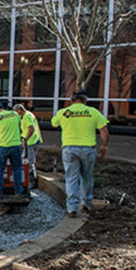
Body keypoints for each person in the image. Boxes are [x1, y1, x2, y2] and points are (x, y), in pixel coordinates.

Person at [51, 90, 109, 218]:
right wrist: (104, 145)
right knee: (87, 178)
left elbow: (54, 123)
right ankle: (86, 204)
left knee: (71, 178)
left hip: (69, 149)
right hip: (88, 149)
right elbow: (104, 129)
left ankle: (71, 208)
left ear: (71, 99)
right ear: (85, 99)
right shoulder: (93, 112)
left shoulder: (64, 112)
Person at [0, 102, 24, 200]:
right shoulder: (14, 114)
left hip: (3, 146)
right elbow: (19, 127)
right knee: (17, 169)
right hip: (16, 145)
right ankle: (18, 192)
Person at [14, 103, 42, 188]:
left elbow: (31, 129)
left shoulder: (27, 116)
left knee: (30, 162)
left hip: (31, 142)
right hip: (28, 142)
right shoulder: (24, 116)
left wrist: (25, 140)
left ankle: (32, 182)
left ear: (19, 110)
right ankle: (27, 181)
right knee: (26, 161)